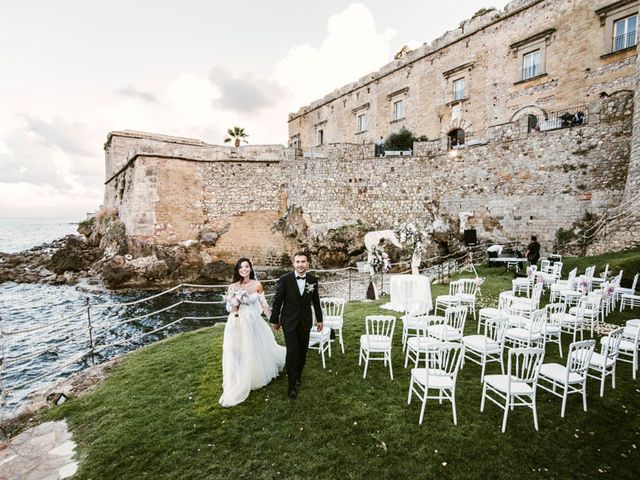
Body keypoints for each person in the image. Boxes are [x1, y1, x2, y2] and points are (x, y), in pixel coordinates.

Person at [219, 258, 285, 407]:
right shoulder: (232, 286)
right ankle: (237, 376)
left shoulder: (257, 285)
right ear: (237, 270)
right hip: (236, 322)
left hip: (253, 322)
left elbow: (264, 305)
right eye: (241, 267)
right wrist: (234, 304)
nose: (244, 269)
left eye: (247, 267)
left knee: (253, 349)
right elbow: (228, 308)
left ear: (250, 268)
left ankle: (253, 376)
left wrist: (273, 320)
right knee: (236, 350)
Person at [270, 252, 323, 400]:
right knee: (292, 352)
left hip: (305, 321)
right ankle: (291, 385)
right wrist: (275, 320)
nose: (300, 265)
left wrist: (319, 319)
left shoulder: (313, 280)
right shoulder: (285, 279)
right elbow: (277, 301)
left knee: (303, 351)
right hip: (289, 321)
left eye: (303, 262)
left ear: (308, 264)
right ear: (293, 263)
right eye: (298, 262)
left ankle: (298, 375)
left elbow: (316, 301)